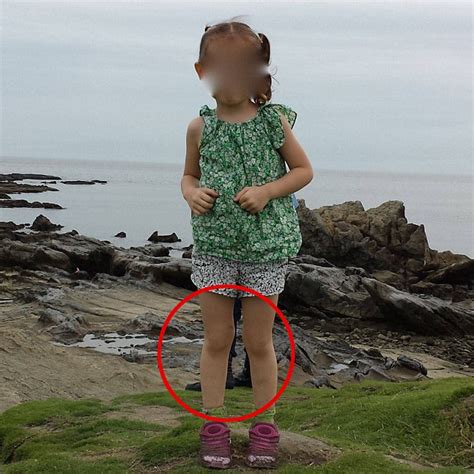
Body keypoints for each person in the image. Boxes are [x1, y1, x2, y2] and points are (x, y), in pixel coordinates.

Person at [181, 19, 313, 469]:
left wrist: (267, 191)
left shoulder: (273, 122)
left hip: (265, 250)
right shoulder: (200, 127)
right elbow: (188, 176)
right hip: (215, 247)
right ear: (203, 71)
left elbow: (303, 171)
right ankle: (214, 426)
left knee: (259, 342)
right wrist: (190, 194)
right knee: (217, 339)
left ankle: (265, 427)